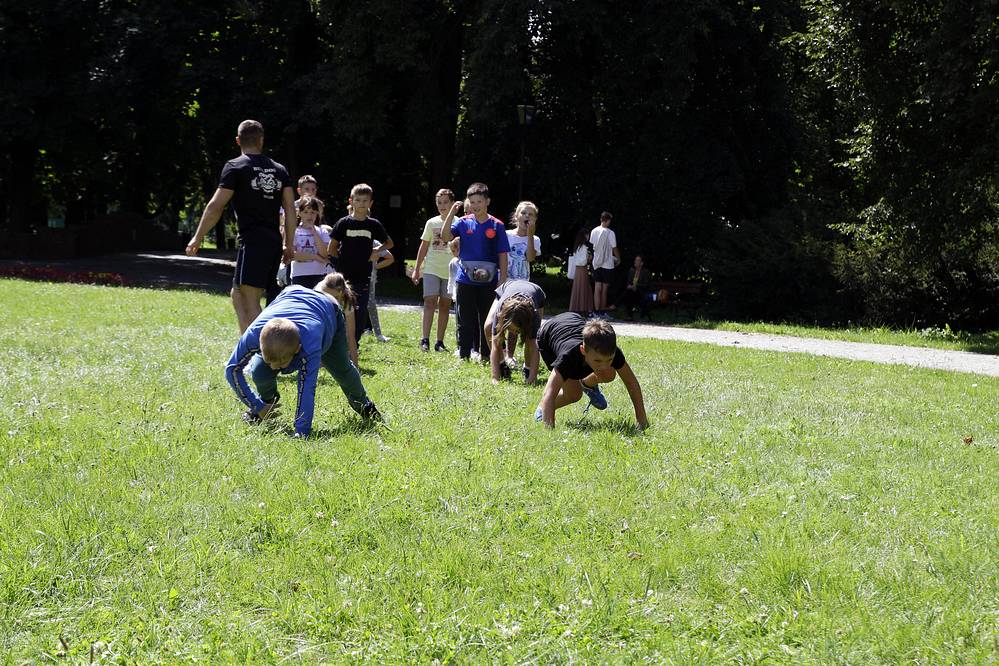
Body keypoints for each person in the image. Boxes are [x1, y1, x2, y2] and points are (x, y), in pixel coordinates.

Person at [224, 282, 381, 437]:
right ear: (260, 344)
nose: (274, 367)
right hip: (291, 295)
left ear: (297, 349)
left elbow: (307, 388)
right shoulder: (254, 334)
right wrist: (257, 405)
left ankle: (366, 406)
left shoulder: (311, 344)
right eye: (269, 360)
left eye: (281, 362)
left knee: (342, 369)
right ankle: (266, 404)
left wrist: (301, 432)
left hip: (328, 310)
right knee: (260, 370)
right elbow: (232, 369)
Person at [186, 119, 296, 332]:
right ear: (261, 140)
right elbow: (290, 209)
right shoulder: (279, 169)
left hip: (253, 242)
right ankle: (246, 346)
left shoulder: (235, 166)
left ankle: (264, 349)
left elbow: (215, 206)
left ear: (238, 140)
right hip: (273, 242)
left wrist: (197, 237)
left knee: (249, 300)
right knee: (237, 294)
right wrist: (289, 244)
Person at [535, 313, 648, 430]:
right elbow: (549, 393)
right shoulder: (568, 357)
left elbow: (631, 383)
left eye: (609, 360)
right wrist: (549, 430)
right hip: (548, 335)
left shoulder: (611, 351)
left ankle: (587, 384)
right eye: (598, 361)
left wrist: (642, 420)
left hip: (573, 320)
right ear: (583, 350)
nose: (604, 366)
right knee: (574, 394)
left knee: (609, 374)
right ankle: (542, 408)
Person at [440, 183, 510, 360]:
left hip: (489, 280)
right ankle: (464, 354)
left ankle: (486, 355)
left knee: (487, 319)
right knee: (465, 319)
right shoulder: (463, 222)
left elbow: (503, 253)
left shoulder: (497, 225)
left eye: (479, 201)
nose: (476, 205)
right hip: (465, 279)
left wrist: (502, 278)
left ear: (487, 201)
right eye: (472, 202)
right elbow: (445, 236)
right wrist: (451, 214)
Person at [327, 183, 394, 345]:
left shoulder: (373, 225)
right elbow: (331, 248)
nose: (361, 203)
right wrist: (339, 264)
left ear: (370, 203)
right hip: (343, 278)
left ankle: (354, 345)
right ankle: (337, 345)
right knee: (340, 311)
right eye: (358, 200)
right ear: (351, 201)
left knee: (360, 313)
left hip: (363, 277)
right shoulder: (343, 223)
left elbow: (389, 243)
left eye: (365, 200)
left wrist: (376, 251)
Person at [411, 189, 457, 352]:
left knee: (444, 305)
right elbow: (423, 247)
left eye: (445, 202)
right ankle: (425, 339)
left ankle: (439, 342)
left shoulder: (459, 222)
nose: (442, 206)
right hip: (431, 268)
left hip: (450, 271)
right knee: (430, 302)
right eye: (439, 202)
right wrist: (417, 269)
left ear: (452, 203)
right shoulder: (431, 223)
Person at [483, 279, 546, 384]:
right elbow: (495, 345)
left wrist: (532, 379)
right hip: (507, 288)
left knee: (530, 338)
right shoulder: (501, 311)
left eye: (516, 331)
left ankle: (527, 369)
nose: (513, 333)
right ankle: (502, 365)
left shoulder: (533, 315)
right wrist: (495, 378)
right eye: (510, 329)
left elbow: (535, 348)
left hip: (536, 293)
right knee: (488, 326)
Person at [317, 272, 360, 367]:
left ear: (341, 293)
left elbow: (351, 336)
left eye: (335, 297)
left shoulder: (347, 301)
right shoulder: (318, 293)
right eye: (327, 296)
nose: (331, 300)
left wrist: (355, 366)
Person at [289, 195, 332, 289]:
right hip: (299, 275)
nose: (309, 215)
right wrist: (315, 257)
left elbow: (325, 254)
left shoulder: (322, 232)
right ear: (299, 213)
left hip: (319, 275)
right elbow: (292, 255)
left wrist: (314, 232)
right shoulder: (294, 231)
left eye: (312, 212)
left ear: (317, 214)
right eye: (306, 212)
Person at [589, 211, 620, 318]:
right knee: (604, 289)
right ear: (608, 220)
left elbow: (592, 247)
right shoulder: (610, 233)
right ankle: (602, 312)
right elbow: (614, 248)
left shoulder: (594, 231)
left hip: (596, 263)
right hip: (607, 263)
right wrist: (618, 259)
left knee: (597, 287)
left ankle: (596, 312)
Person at [364, 241, 394, 342]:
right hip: (353, 276)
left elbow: (390, 258)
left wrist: (375, 267)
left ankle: (378, 334)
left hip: (369, 277)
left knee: (371, 304)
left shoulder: (374, 242)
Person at [506, 201, 540, 282]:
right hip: (505, 280)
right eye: (523, 213)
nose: (527, 216)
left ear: (535, 219)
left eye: (531, 214)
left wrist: (530, 236)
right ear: (516, 216)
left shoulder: (535, 239)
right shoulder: (506, 235)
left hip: (523, 282)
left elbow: (530, 258)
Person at [617, 254, 653, 320]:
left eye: (638, 260)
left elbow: (646, 285)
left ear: (641, 263)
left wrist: (635, 286)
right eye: (635, 260)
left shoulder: (646, 272)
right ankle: (629, 315)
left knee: (628, 294)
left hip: (641, 293)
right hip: (632, 292)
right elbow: (628, 282)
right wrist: (630, 286)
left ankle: (617, 305)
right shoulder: (632, 271)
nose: (635, 262)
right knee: (628, 293)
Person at [567, 228, 594, 314]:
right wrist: (588, 258)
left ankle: (576, 307)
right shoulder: (584, 247)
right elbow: (583, 261)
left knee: (578, 287)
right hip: (582, 269)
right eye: (588, 234)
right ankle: (584, 308)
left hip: (577, 269)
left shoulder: (577, 247)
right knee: (584, 287)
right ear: (585, 235)